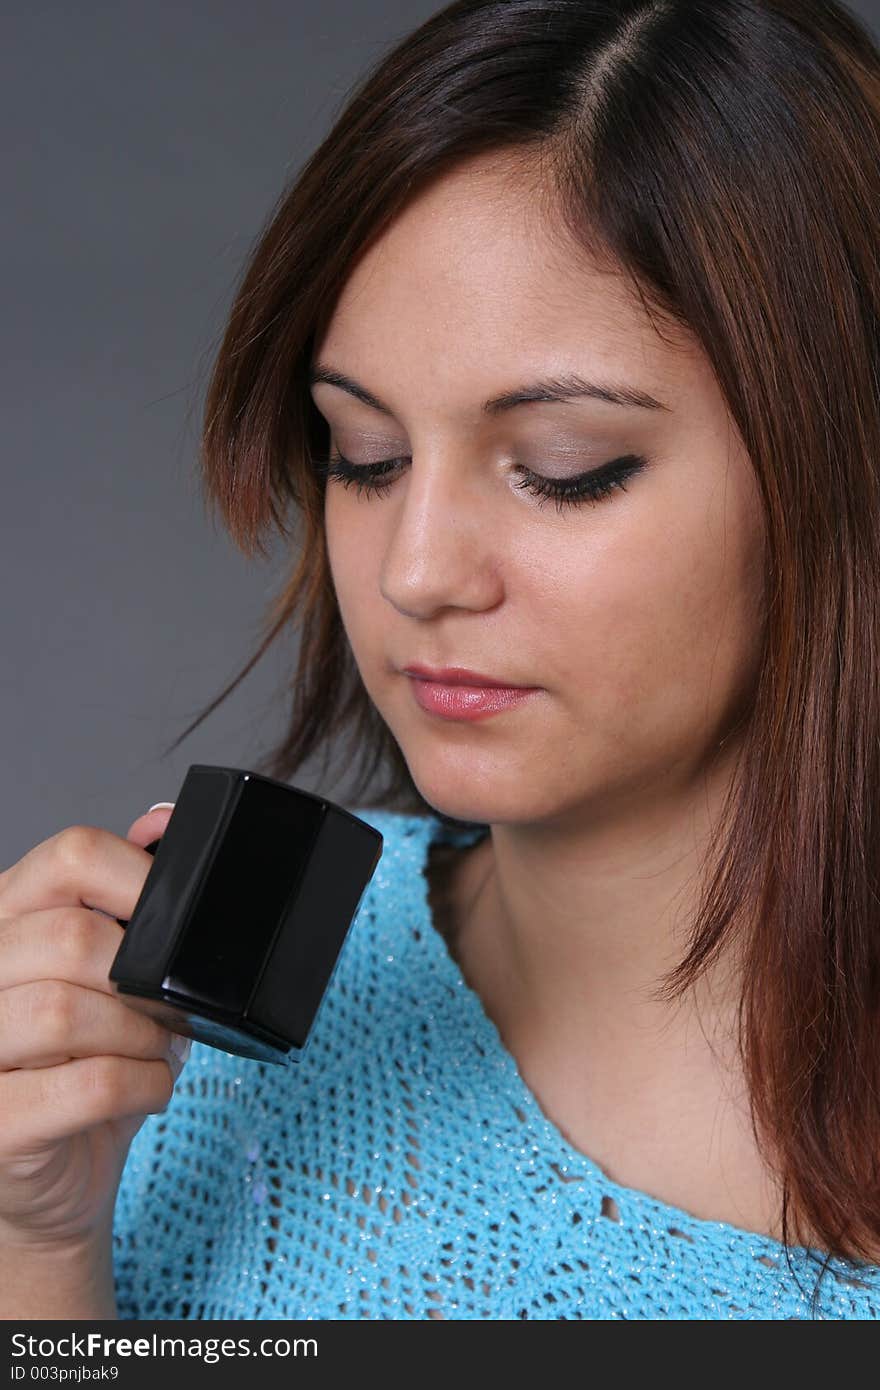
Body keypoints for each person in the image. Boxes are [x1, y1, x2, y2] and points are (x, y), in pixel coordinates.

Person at [2, 0, 880, 1320]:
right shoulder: (174, 1060)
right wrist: (35, 1252)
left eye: (562, 471)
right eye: (366, 454)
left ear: (842, 472)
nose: (414, 572)